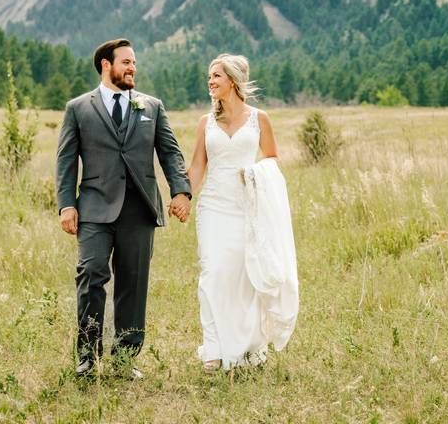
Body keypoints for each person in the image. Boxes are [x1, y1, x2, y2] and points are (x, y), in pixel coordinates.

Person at [55, 38, 192, 379]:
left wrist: (181, 191)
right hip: (94, 209)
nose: (133, 68)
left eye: (134, 62)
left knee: (133, 283)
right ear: (106, 64)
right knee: (90, 275)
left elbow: (170, 153)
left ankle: (123, 359)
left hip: (139, 210)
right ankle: (87, 357)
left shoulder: (152, 107)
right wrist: (65, 206)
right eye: (127, 62)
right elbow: (66, 160)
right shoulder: (78, 108)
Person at [186, 53, 297, 371]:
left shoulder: (259, 119)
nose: (210, 82)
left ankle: (247, 349)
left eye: (216, 76)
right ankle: (214, 350)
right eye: (209, 76)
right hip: (214, 207)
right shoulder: (206, 123)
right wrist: (184, 197)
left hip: (247, 208)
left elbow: (272, 159)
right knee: (212, 273)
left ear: (232, 80)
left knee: (244, 277)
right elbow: (196, 166)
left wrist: (253, 173)